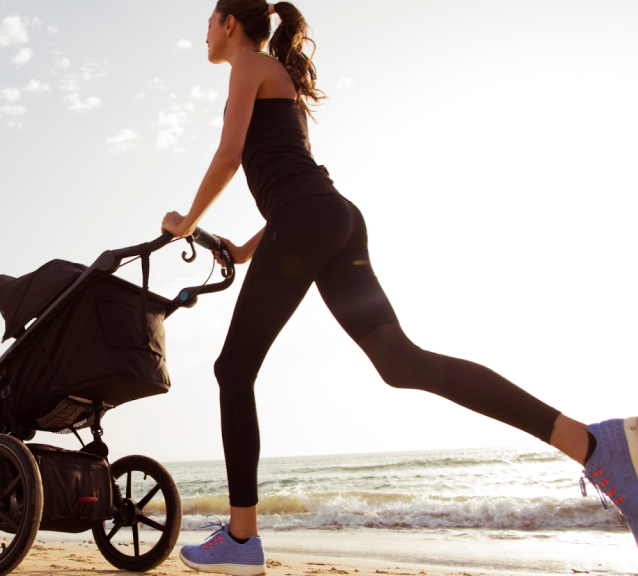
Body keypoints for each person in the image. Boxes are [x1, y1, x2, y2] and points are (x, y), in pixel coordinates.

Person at [159, 2, 638, 575]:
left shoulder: (249, 65)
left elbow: (231, 155)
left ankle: (241, 539)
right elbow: (299, 183)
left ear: (229, 23)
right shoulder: (276, 77)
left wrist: (185, 221)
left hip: (309, 219)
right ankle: (593, 444)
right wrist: (241, 250)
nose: (205, 34)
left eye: (209, 22)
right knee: (401, 363)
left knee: (233, 370)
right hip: (332, 217)